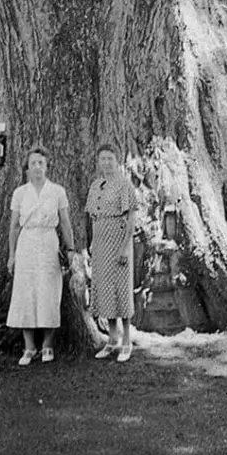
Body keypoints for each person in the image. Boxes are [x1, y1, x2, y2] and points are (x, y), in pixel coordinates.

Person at [6, 146, 76, 366]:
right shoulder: (20, 193)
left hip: (48, 244)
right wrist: (11, 255)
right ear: (27, 167)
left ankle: (47, 344)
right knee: (26, 294)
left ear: (47, 167)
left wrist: (71, 249)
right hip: (26, 245)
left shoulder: (57, 191)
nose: (37, 167)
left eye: (41, 163)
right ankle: (29, 347)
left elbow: (65, 222)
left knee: (48, 293)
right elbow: (14, 227)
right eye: (33, 163)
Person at [86, 142, 138, 363]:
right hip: (100, 242)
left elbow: (131, 218)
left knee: (121, 289)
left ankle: (127, 341)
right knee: (106, 290)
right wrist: (91, 243)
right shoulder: (96, 185)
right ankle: (112, 339)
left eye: (110, 158)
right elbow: (92, 217)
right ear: (98, 162)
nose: (106, 163)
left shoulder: (124, 185)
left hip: (118, 240)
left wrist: (126, 246)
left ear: (117, 161)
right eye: (103, 159)